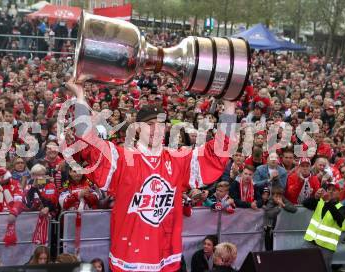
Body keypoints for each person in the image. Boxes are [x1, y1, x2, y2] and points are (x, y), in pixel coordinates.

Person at [67, 80, 236, 271]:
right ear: (138, 128)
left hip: (167, 260)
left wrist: (230, 105)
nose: (157, 129)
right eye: (150, 124)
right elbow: (89, 143)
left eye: (161, 124)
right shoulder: (122, 158)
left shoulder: (178, 159)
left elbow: (218, 152)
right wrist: (80, 97)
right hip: (128, 261)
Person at [302, 183, 345, 272]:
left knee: (323, 269)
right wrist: (315, 197)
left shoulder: (341, 207)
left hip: (326, 246)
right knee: (305, 266)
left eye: (334, 190)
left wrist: (328, 202)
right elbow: (305, 203)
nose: (330, 191)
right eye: (329, 189)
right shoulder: (320, 202)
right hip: (310, 241)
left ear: (339, 193)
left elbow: (339, 218)